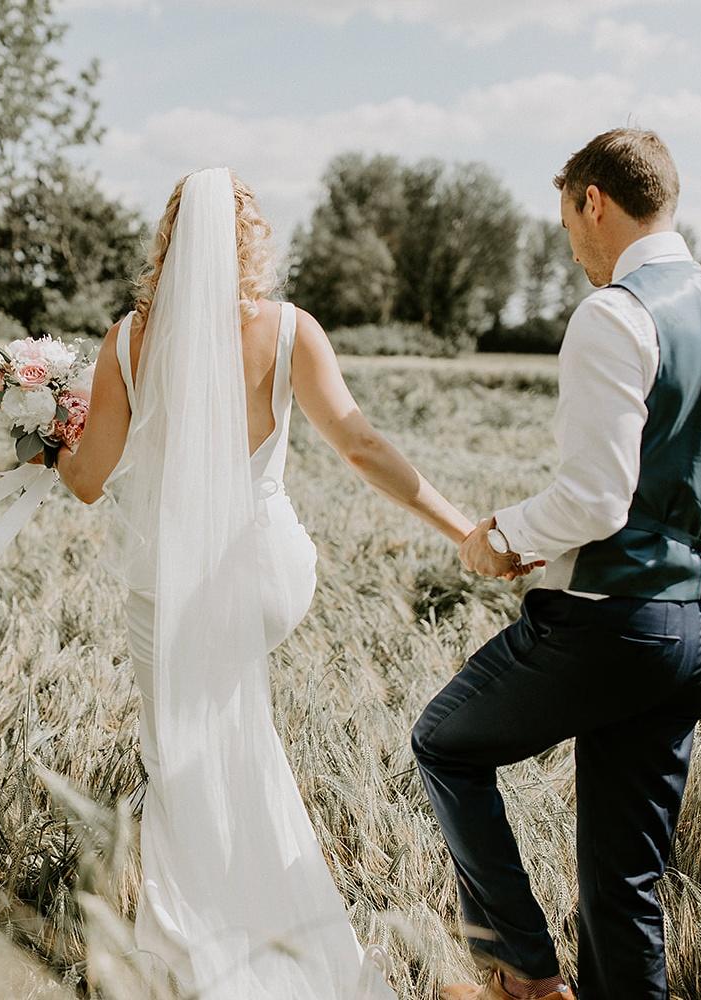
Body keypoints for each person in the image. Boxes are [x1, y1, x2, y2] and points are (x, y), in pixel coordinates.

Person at [52, 166, 514, 998]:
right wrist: (461, 527)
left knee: (184, 758)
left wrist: (52, 439)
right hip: (263, 577)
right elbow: (362, 445)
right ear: (249, 244)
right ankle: (268, 913)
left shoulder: (127, 339)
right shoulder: (291, 331)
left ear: (168, 242)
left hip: (169, 584)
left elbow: (88, 481)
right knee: (237, 737)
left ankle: (196, 941)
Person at [413, 128, 701, 1000]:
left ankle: (527, 973)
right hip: (690, 635)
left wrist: (499, 536)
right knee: (624, 894)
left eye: (567, 219)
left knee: (445, 743)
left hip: (604, 625)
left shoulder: (615, 313)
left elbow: (595, 500)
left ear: (592, 200)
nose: (571, 246)